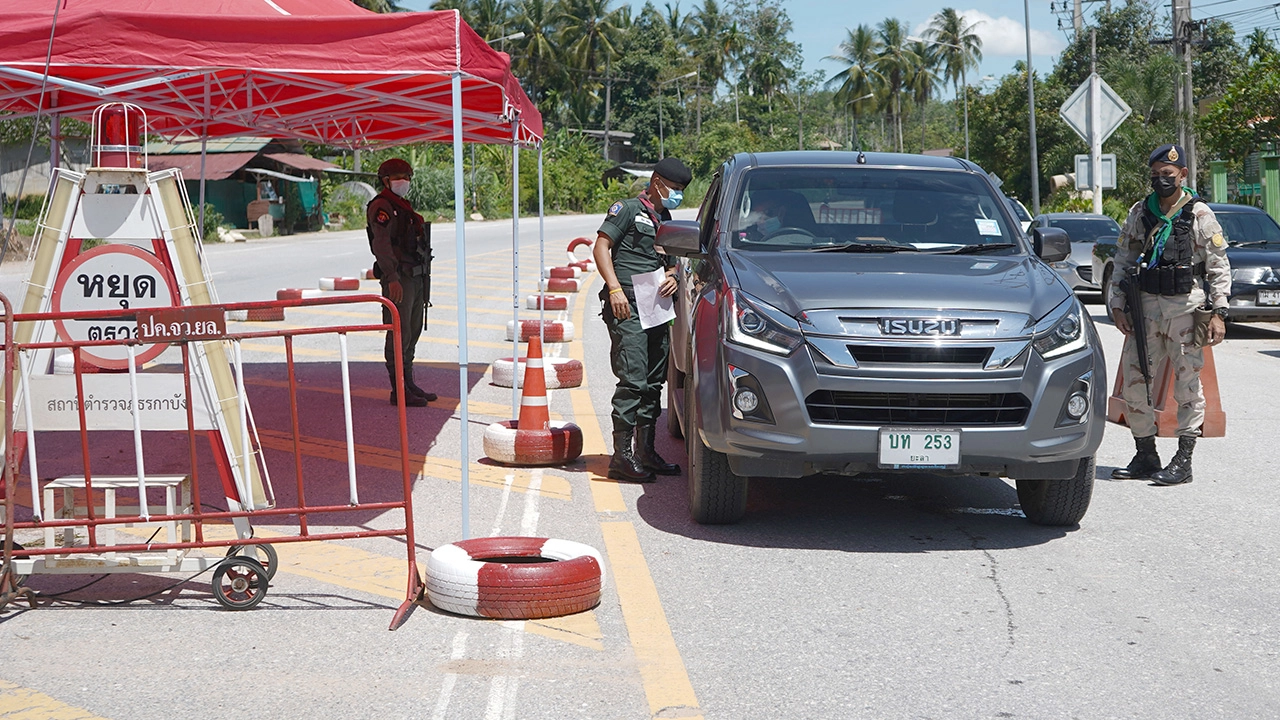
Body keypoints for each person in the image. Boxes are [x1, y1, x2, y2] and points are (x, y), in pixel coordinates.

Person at [1109, 144, 1231, 485]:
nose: (1162, 181)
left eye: (1169, 175)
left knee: (1188, 385)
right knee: (1134, 383)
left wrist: (1219, 312)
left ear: (1183, 176)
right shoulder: (1139, 212)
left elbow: (1218, 266)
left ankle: (1184, 459)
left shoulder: (1199, 214)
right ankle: (1146, 454)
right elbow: (1122, 261)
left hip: (1185, 307)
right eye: (1156, 175)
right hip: (1145, 307)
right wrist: (1117, 305)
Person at [594, 157, 692, 482]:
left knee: (653, 382)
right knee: (633, 381)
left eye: (680, 191)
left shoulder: (666, 217)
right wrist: (613, 289)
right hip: (628, 306)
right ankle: (621, 458)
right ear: (656, 181)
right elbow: (601, 247)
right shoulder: (627, 210)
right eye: (673, 188)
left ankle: (646, 452)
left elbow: (673, 261)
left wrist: (674, 275)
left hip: (657, 307)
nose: (676, 195)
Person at [367, 157, 436, 407]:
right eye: (398, 178)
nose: (403, 182)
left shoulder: (402, 206)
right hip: (399, 279)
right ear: (386, 181)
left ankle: (408, 383)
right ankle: (398, 390)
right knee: (399, 334)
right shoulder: (382, 207)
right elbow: (382, 245)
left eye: (407, 177)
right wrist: (392, 278)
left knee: (412, 333)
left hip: (415, 277)